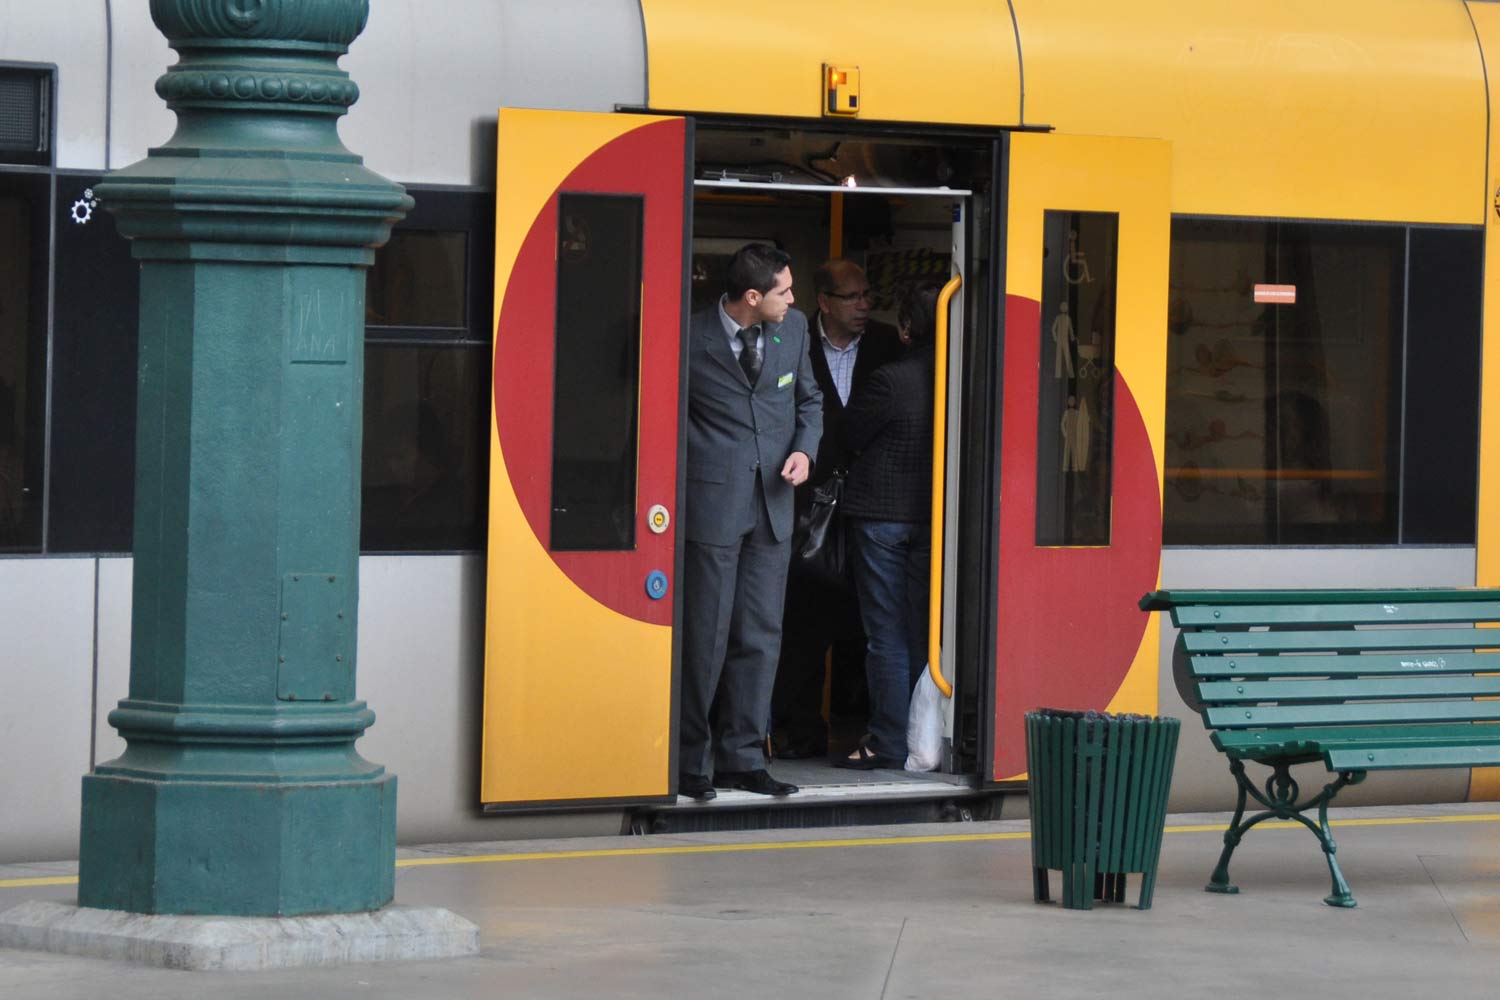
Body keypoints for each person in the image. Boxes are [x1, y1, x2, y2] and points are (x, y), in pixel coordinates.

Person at [679, 243, 823, 800]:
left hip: (773, 508)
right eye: (785, 290)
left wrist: (805, 450)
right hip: (711, 507)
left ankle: (741, 758)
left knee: (760, 637)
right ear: (753, 297)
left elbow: (809, 401)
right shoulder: (690, 335)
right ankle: (689, 761)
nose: (794, 298)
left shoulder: (795, 329)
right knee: (704, 638)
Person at [771, 260, 901, 759]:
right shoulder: (793, 341)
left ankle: (863, 729)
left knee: (870, 622)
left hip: (876, 504)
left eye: (868, 295)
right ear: (823, 301)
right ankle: (801, 734)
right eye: (852, 297)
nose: (864, 305)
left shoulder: (890, 344)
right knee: (804, 624)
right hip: (808, 507)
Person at [837, 282, 941, 769]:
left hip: (881, 517)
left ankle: (887, 740)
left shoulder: (891, 380)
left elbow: (848, 434)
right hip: (932, 520)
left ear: (905, 330)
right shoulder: (960, 378)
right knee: (921, 630)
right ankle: (924, 737)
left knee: (885, 633)